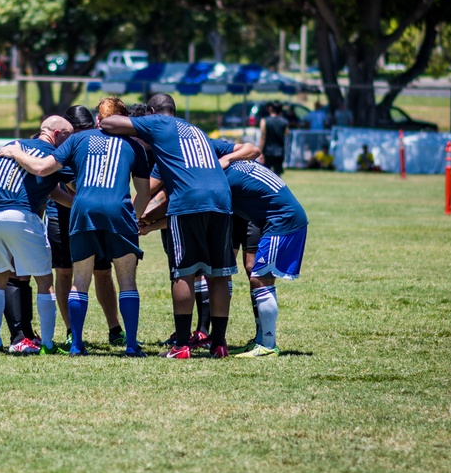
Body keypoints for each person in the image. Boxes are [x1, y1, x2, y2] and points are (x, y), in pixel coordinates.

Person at [100, 93, 255, 359]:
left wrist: (107, 117)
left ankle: (182, 345)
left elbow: (109, 124)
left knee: (183, 271)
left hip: (189, 202)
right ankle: (218, 344)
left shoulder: (157, 123)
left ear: (152, 111)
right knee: (219, 274)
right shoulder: (195, 130)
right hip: (221, 199)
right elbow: (249, 148)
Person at [0, 98, 151, 357]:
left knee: (79, 280)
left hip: (82, 210)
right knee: (126, 281)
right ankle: (131, 345)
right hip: (118, 210)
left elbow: (42, 168)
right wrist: (131, 220)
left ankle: (77, 344)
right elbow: (144, 193)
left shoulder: (78, 140)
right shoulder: (134, 146)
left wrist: (15, 152)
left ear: (97, 120)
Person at [0, 115, 74, 355]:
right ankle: (48, 345)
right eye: (68, 136)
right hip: (21, 214)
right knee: (45, 280)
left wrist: (73, 204)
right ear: (56, 134)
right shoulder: (56, 155)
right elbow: (50, 174)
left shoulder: (12, 145)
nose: (70, 141)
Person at [46, 105, 126, 352]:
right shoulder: (59, 148)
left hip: (93, 215)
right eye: (77, 132)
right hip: (61, 214)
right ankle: (72, 330)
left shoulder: (98, 144)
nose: (83, 136)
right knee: (64, 271)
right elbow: (53, 186)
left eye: (86, 130)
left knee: (103, 271)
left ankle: (115, 329)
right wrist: (79, 202)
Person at [222, 160, 308, 357]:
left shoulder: (227, 177)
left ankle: (268, 345)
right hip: (281, 219)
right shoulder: (237, 166)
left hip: (282, 221)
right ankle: (260, 341)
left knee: (260, 279)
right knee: (258, 277)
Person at [259, 102, 288, 175]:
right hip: (279, 151)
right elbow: (286, 133)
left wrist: (260, 151)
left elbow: (263, 136)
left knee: (265, 174)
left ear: (271, 109)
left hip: (267, 151)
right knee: (278, 175)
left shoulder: (265, 121)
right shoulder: (284, 122)